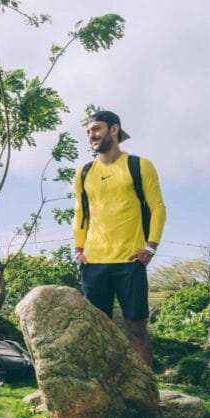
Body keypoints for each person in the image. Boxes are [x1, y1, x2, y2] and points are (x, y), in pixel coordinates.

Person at [73, 110, 166, 368]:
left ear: (114, 130)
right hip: (93, 263)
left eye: (96, 129)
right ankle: (102, 390)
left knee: (136, 329)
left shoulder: (139, 166)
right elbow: (81, 214)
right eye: (89, 131)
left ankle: (147, 391)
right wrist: (79, 249)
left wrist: (151, 247)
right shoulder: (83, 172)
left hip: (129, 261)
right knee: (96, 331)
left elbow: (158, 207)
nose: (92, 135)